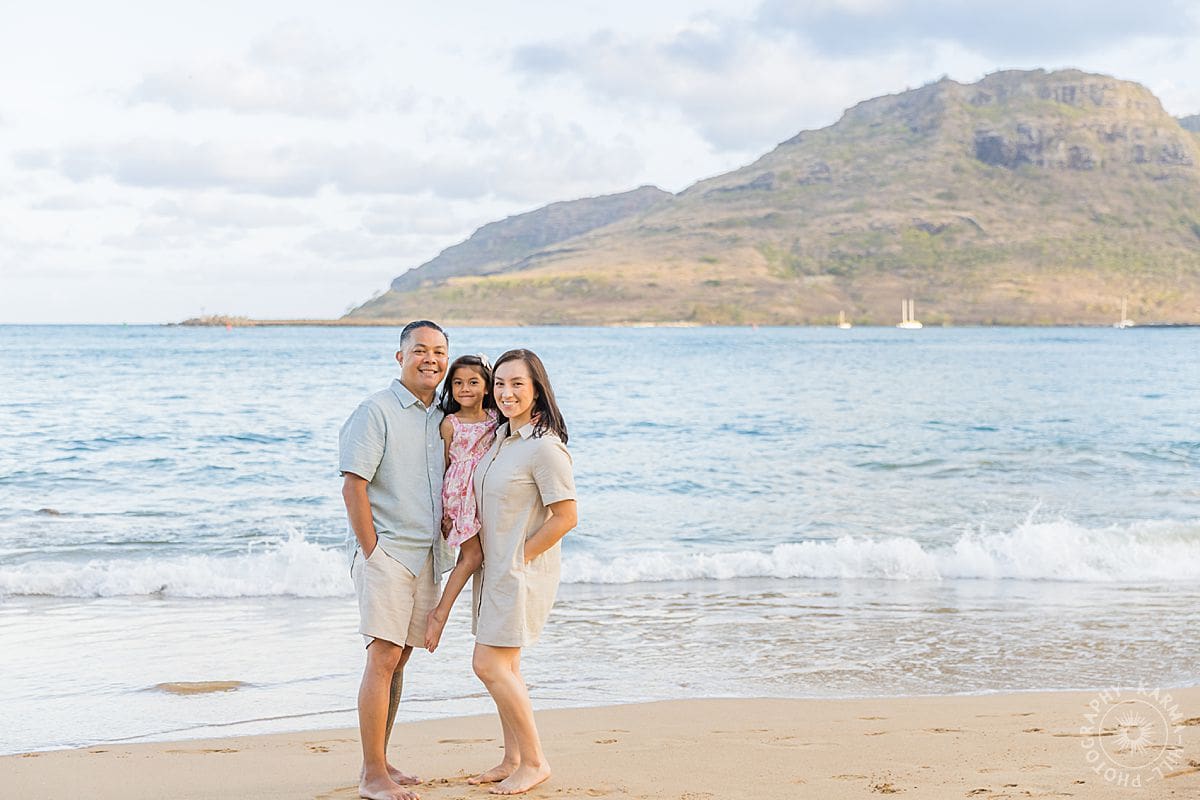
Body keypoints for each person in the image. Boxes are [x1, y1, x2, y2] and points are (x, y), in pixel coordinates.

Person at [339, 320, 453, 800]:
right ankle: (371, 776)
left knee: (400, 658)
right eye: (420, 350)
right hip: (388, 554)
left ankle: (381, 761)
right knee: (383, 657)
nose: (431, 358)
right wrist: (373, 551)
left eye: (440, 351)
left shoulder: (442, 415)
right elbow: (353, 485)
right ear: (400, 357)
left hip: (426, 555)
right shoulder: (375, 411)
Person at [468, 348, 578, 795]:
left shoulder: (544, 447)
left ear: (537, 390)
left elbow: (566, 516)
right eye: (500, 383)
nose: (507, 392)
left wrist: (520, 558)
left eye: (518, 384)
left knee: (488, 664)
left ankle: (535, 762)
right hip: (494, 572)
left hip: (519, 574)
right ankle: (512, 757)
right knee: (508, 666)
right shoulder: (501, 440)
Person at [424, 354, 498, 653]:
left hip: (484, 493)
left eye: (472, 382)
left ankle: (483, 620)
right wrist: (443, 510)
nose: (464, 388)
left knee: (481, 558)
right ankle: (440, 613)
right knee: (473, 556)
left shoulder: (495, 418)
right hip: (459, 493)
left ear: (486, 387)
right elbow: (441, 468)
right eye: (457, 383)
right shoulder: (449, 423)